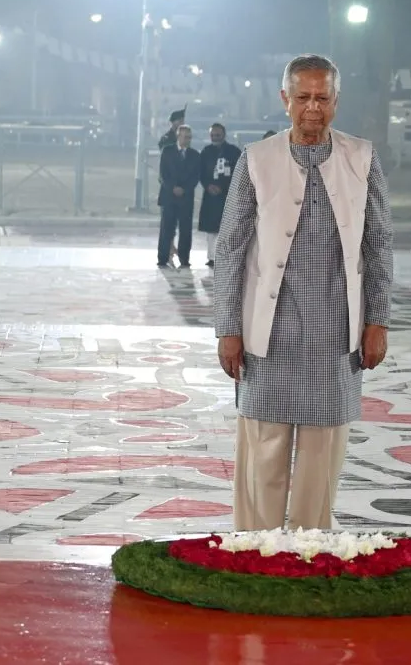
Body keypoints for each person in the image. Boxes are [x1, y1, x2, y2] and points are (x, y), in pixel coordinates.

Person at [213, 54, 394, 531]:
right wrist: (227, 329)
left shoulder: (362, 157)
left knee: (321, 458)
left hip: (336, 335)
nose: (312, 108)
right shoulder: (256, 159)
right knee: (263, 451)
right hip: (268, 334)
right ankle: (255, 549)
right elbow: (229, 248)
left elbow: (378, 246)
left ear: (336, 101)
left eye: (322, 97)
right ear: (285, 100)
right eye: (303, 97)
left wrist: (378, 322)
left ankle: (312, 551)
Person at [157, 125, 201, 268]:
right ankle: (163, 257)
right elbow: (163, 174)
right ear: (178, 136)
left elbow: (196, 177)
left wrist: (184, 189)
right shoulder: (167, 151)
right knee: (166, 229)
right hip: (168, 197)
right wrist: (173, 188)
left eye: (189, 137)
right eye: (185, 137)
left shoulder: (195, 155)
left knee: (185, 230)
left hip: (186, 198)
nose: (187, 140)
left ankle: (184, 258)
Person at [198, 123, 242, 267]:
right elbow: (201, 173)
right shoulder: (206, 152)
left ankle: (226, 256)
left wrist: (224, 187)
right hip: (210, 197)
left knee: (227, 227)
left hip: (227, 196)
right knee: (211, 228)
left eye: (217, 135)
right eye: (212, 135)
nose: (215, 138)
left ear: (224, 134)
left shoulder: (234, 152)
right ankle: (211, 257)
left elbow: (239, 173)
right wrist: (208, 185)